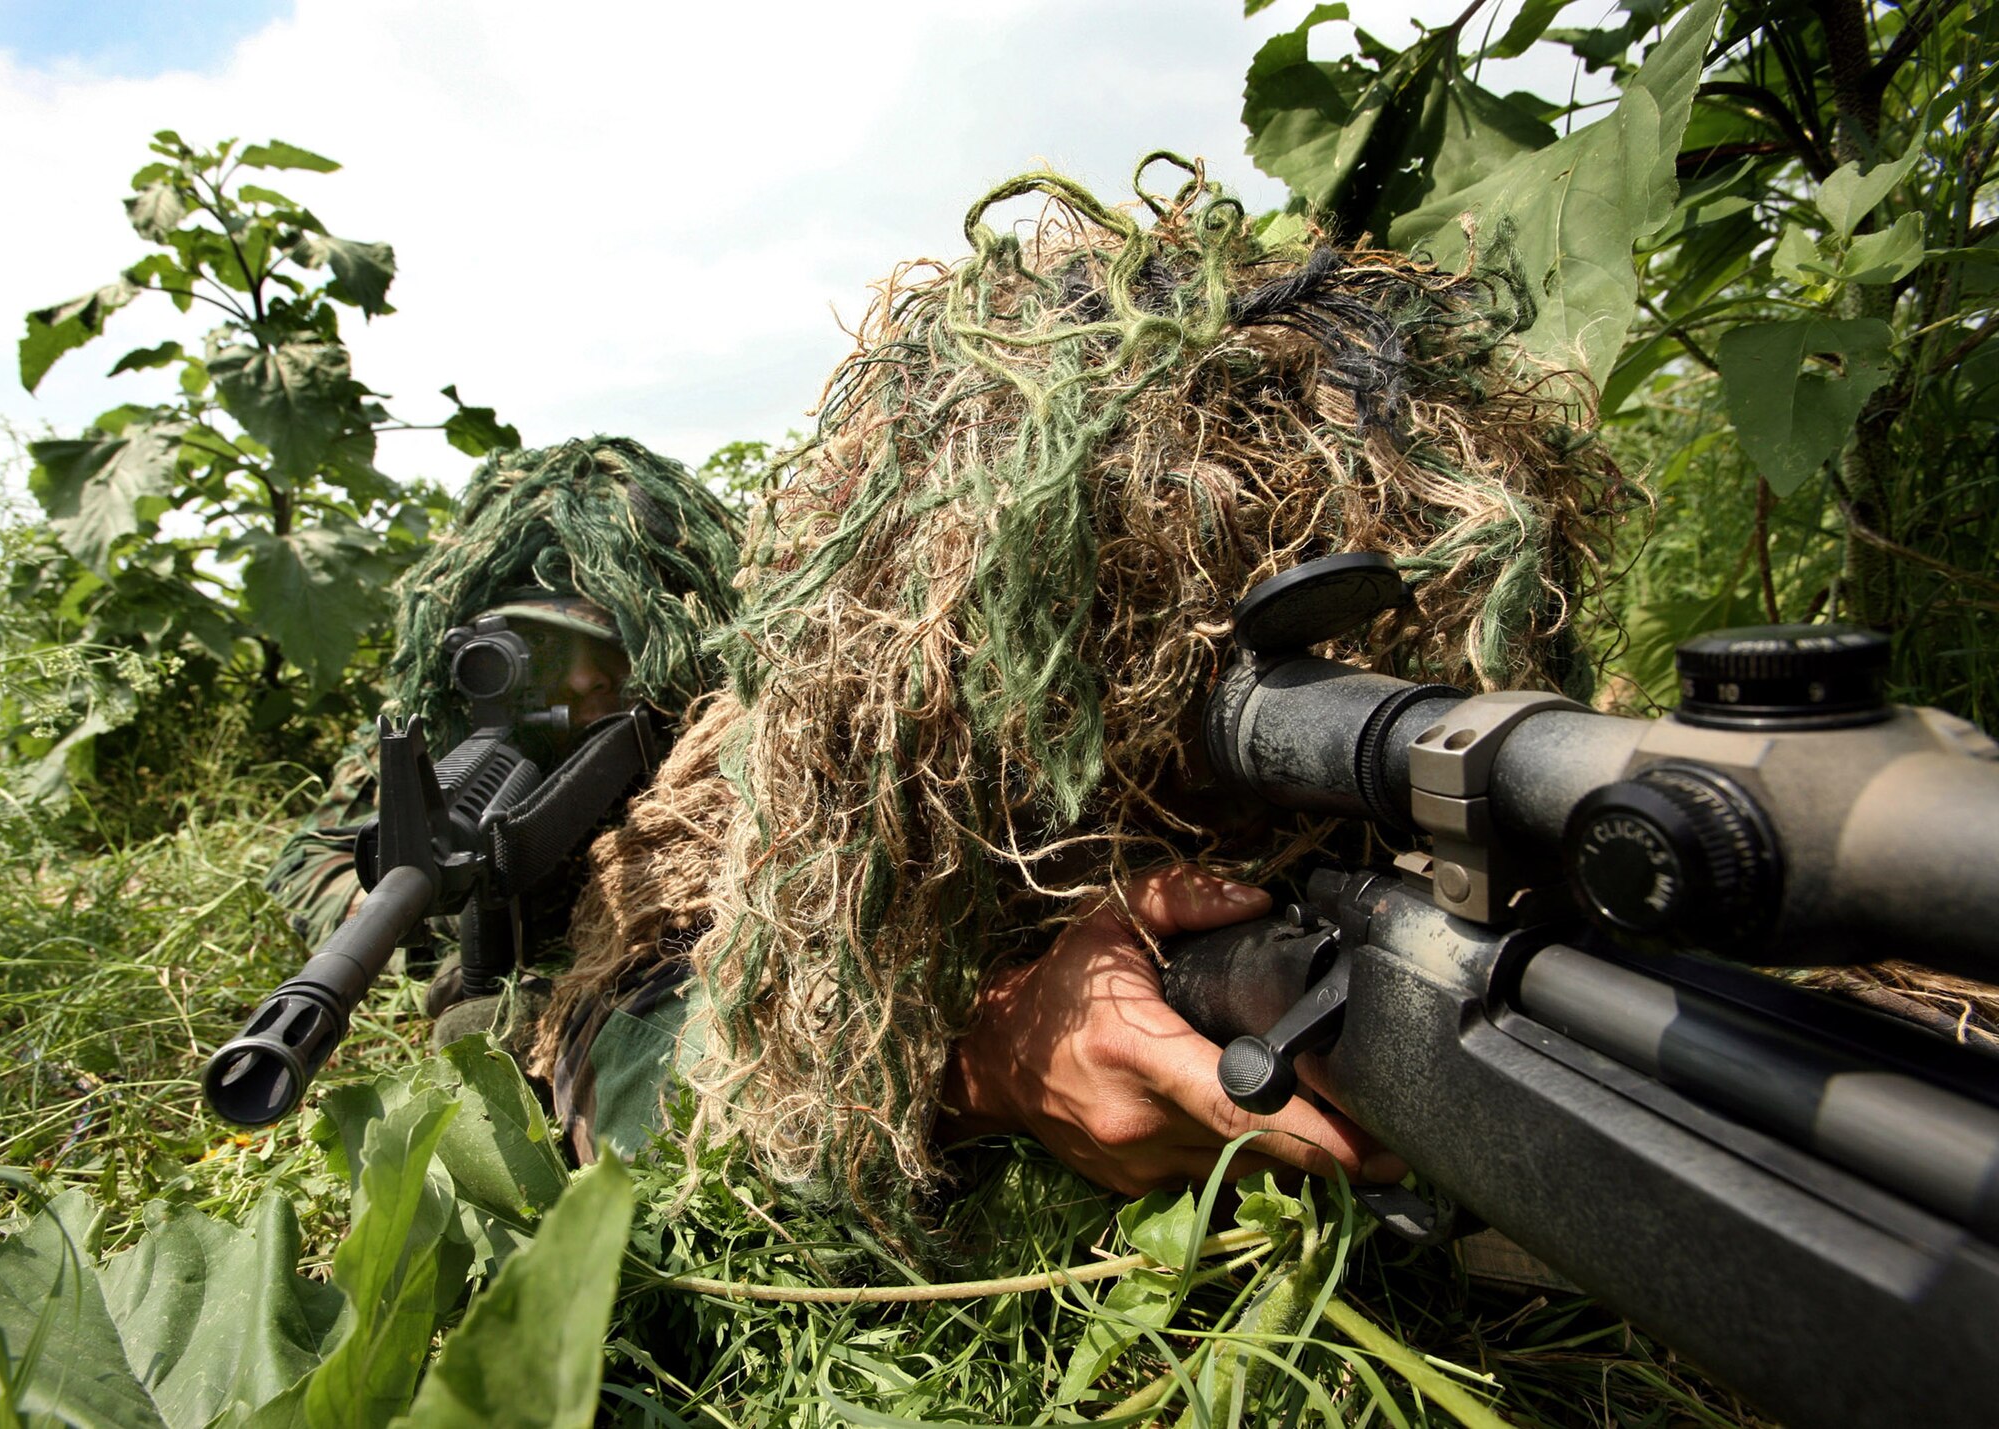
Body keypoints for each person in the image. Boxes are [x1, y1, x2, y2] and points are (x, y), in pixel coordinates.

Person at [535, 162, 1623, 1245]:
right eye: (1137, 641)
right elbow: (623, 1060)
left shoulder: (1426, 688)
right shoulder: (841, 762)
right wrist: (986, 1070)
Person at [265, 435, 742, 1046]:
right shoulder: (438, 735)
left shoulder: (708, 724)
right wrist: (446, 928)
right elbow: (311, 859)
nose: (578, 678)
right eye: (542, 646)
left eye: (605, 645)